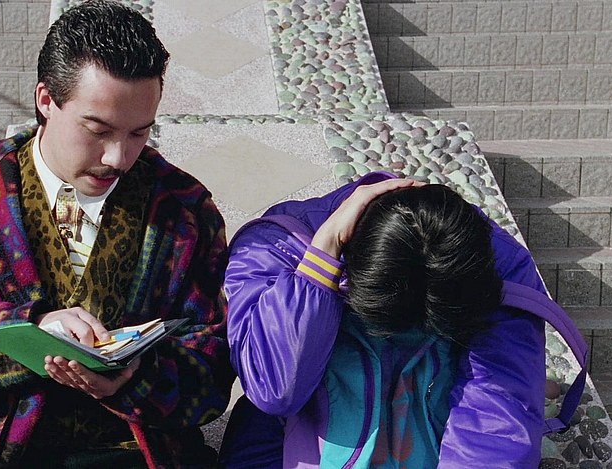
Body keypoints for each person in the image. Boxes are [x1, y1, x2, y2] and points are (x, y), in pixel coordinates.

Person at [0, 1, 234, 467]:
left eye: (139, 133)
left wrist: (136, 377)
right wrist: (27, 330)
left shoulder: (184, 209)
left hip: (134, 451)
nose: (118, 157)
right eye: (97, 130)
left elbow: (214, 368)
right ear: (46, 100)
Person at [219, 171, 551, 468]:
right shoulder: (274, 247)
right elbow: (275, 391)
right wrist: (319, 264)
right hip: (290, 437)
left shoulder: (495, 265)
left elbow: (496, 413)